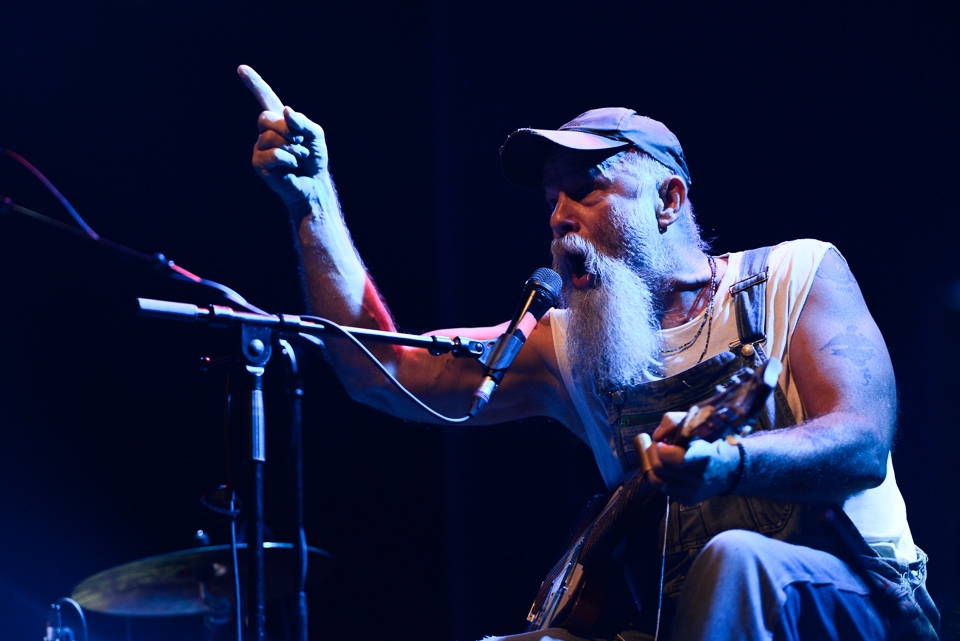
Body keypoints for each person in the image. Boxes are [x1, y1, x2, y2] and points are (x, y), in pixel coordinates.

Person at [238, 65, 939, 640]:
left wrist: (726, 464)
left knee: (734, 560)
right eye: (550, 200)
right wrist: (313, 205)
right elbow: (383, 372)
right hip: (683, 624)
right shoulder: (567, 344)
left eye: (585, 189)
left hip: (865, 605)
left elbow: (861, 443)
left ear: (668, 199)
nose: (557, 216)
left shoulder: (796, 273)